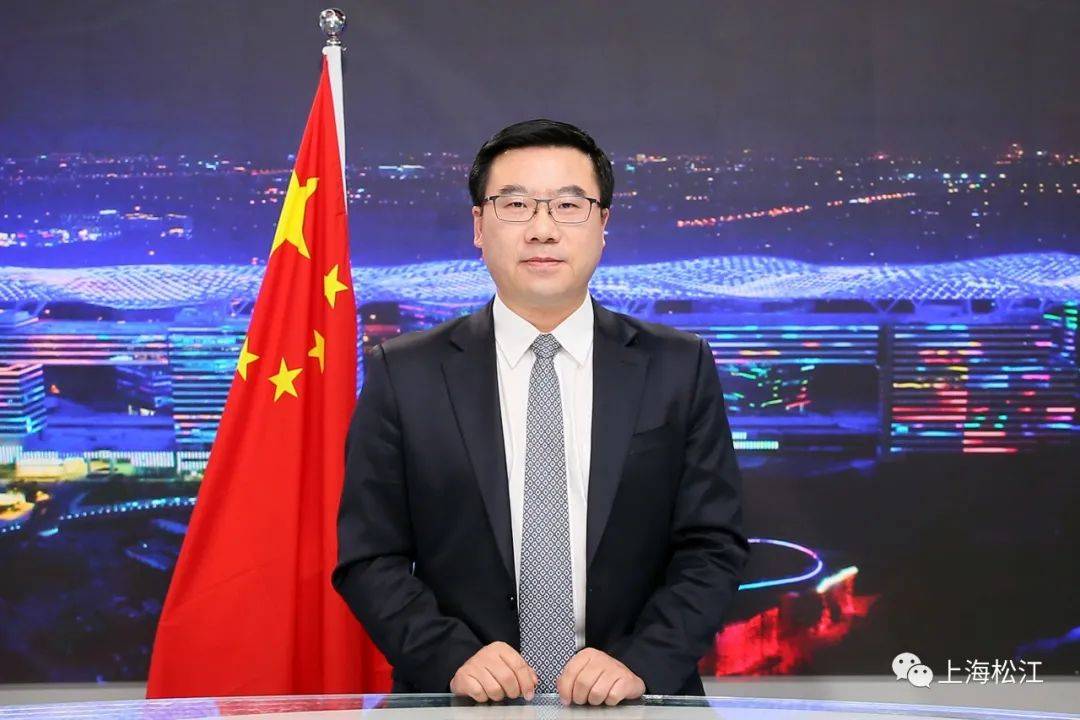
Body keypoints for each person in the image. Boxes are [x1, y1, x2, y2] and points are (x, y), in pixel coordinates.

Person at [332, 119, 749, 706]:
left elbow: (713, 545)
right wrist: (450, 657)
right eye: (516, 205)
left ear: (603, 226)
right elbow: (370, 555)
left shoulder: (678, 366)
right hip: (460, 703)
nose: (543, 229)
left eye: (569, 206)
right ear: (479, 227)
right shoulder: (405, 374)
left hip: (638, 702)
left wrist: (641, 663)